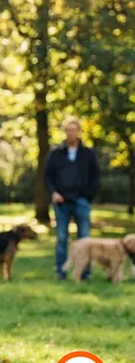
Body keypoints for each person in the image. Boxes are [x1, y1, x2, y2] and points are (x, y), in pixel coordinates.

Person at [44, 116, 101, 280]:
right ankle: (61, 271)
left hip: (81, 200)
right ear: (64, 132)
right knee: (62, 238)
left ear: (78, 132)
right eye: (68, 130)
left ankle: (85, 272)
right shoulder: (56, 153)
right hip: (61, 202)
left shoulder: (88, 154)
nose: (71, 133)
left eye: (73, 130)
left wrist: (88, 196)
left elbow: (95, 177)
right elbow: (47, 176)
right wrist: (54, 192)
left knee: (85, 237)